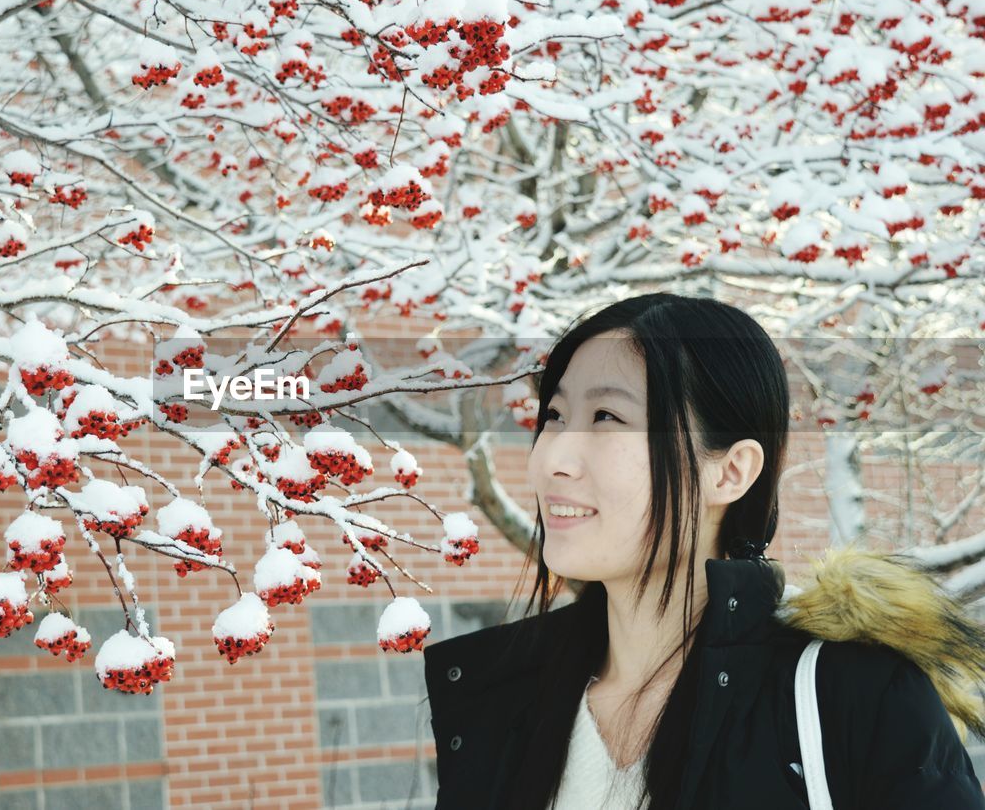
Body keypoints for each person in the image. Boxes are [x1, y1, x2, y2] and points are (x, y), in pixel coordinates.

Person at [422, 292, 985, 809]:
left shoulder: (854, 696)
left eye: (607, 418)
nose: (554, 459)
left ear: (731, 472)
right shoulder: (501, 703)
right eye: (555, 417)